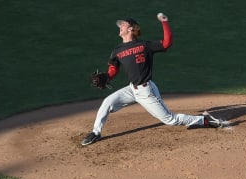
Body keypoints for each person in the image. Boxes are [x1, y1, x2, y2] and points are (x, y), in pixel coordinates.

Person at [80, 13, 224, 146]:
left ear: (130, 28)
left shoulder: (144, 45)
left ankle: (204, 121)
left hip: (146, 90)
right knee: (107, 103)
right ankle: (96, 132)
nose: (120, 27)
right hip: (132, 89)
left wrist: (164, 22)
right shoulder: (117, 50)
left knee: (170, 120)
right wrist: (106, 77)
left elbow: (167, 43)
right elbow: (113, 68)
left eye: (122, 25)